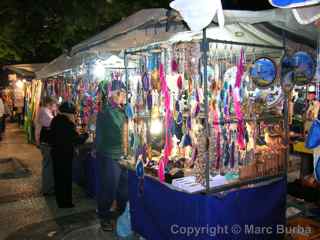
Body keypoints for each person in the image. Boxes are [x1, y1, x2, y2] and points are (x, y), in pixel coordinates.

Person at [95, 80, 128, 231]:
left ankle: (120, 214)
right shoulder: (106, 112)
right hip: (110, 155)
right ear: (115, 94)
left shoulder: (121, 110)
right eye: (122, 94)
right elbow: (112, 133)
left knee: (123, 189)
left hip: (122, 156)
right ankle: (104, 216)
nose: (125, 97)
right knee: (108, 189)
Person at [49, 102, 88, 208]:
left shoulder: (55, 120)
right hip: (65, 155)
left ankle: (60, 201)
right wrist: (86, 135)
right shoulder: (67, 124)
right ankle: (66, 202)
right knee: (65, 178)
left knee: (58, 178)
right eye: (73, 113)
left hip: (56, 153)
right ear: (69, 113)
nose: (74, 116)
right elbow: (76, 140)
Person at [36, 97, 56, 195]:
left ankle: (48, 187)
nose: (55, 107)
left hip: (44, 143)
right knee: (48, 166)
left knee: (47, 165)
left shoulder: (43, 111)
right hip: (46, 144)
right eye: (54, 104)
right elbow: (51, 124)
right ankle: (48, 189)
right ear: (49, 104)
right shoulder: (45, 112)